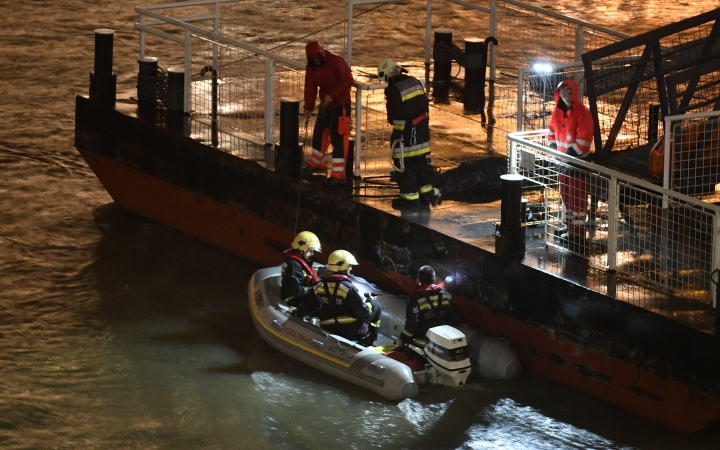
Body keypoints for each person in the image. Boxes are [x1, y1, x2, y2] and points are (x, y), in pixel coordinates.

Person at [378, 58, 442, 210]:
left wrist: (398, 133)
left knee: (403, 164)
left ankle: (410, 197)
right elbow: (424, 105)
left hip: (407, 132)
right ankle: (425, 192)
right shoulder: (414, 81)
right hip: (421, 130)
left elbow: (397, 115)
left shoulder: (394, 89)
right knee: (420, 162)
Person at [292, 250, 381, 346]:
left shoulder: (319, 286)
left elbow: (307, 306)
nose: (351, 268)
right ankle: (369, 340)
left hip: (328, 327)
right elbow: (363, 312)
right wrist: (370, 301)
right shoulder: (347, 288)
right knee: (376, 306)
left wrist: (295, 312)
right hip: (349, 331)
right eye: (349, 265)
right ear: (343, 267)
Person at [547, 79, 594, 246]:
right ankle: (569, 227)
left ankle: (578, 232)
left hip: (577, 163)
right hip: (563, 162)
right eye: (563, 93)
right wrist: (554, 150)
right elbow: (552, 132)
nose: (566, 96)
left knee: (578, 198)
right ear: (558, 94)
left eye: (568, 92)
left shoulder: (583, 113)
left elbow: (584, 139)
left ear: (574, 93)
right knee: (566, 196)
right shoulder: (557, 112)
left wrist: (567, 155)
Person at [302, 41, 355, 188]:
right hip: (326, 104)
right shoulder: (311, 68)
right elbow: (310, 87)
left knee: (338, 139)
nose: (316, 62)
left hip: (341, 104)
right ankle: (317, 164)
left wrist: (332, 95)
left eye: (317, 59)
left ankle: (338, 175)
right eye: (313, 60)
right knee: (319, 134)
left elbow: (348, 81)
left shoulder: (336, 61)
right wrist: (308, 106)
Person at [399, 265, 461, 349]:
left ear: (418, 280)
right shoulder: (447, 296)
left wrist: (402, 338)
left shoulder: (416, 298)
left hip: (422, 345)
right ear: (434, 280)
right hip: (442, 345)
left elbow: (412, 324)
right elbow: (455, 319)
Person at [281, 231, 322, 307]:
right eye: (310, 250)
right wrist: (317, 289)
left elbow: (309, 272)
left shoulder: (299, 262)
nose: (312, 253)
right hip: (293, 298)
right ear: (301, 249)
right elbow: (298, 290)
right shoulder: (293, 265)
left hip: (299, 294)